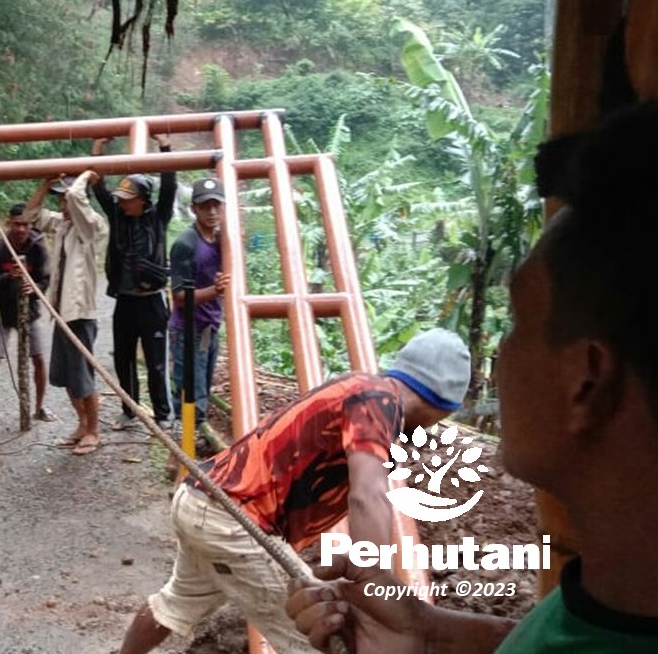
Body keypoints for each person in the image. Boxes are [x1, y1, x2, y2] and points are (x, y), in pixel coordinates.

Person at [286, 103, 658, 653]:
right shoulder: (608, 598)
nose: (500, 358)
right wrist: (432, 631)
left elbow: (369, 495)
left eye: (515, 326)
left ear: (587, 379)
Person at [118, 329, 471, 654]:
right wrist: (373, 579)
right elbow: (368, 494)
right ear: (442, 407)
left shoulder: (366, 392)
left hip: (203, 503)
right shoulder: (379, 401)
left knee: (174, 605)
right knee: (319, 634)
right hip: (235, 520)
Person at [90, 134, 178, 431]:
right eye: (122, 199)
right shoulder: (118, 217)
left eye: (129, 199)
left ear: (142, 200)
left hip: (152, 301)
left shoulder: (159, 217)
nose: (123, 203)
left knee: (155, 362)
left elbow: (170, 185)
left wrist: (164, 147)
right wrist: (98, 149)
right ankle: (129, 413)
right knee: (123, 359)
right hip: (125, 302)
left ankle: (163, 415)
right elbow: (99, 188)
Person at [23, 169, 109, 455]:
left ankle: (94, 432)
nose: (63, 204)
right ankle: (82, 425)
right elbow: (30, 215)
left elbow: (75, 195)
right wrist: (45, 185)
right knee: (65, 376)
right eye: (60, 200)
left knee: (83, 376)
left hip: (80, 315)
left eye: (66, 200)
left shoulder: (93, 225)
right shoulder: (63, 225)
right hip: (60, 314)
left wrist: (85, 175)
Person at [0, 203, 55, 430]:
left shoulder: (37, 248)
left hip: (28, 312)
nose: (21, 229)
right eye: (17, 224)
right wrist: (8, 277)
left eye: (26, 224)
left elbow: (45, 279)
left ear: (31, 225)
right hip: (0, 312)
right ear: (9, 223)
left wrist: (35, 287)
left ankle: (39, 408)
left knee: (38, 358)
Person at [167, 177, 232, 443]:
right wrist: (215, 291)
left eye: (217, 205)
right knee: (188, 391)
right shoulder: (186, 243)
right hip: (187, 331)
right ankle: (182, 452)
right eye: (206, 206)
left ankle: (196, 443)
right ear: (194, 208)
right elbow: (180, 297)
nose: (212, 212)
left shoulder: (221, 241)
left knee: (202, 386)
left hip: (209, 327)